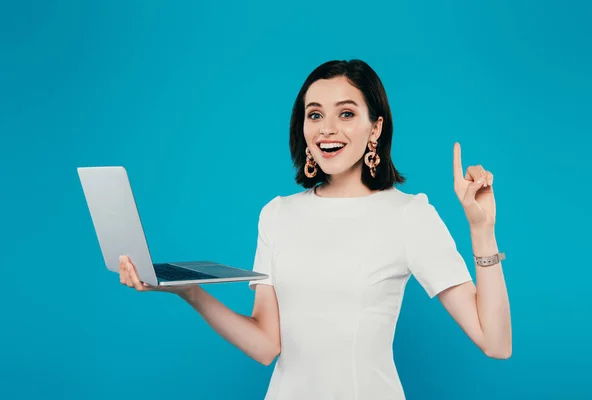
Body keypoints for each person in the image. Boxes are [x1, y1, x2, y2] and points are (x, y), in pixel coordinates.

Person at [118, 59, 512, 399]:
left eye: (346, 113)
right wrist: (187, 290)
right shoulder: (277, 214)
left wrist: (482, 231)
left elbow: (495, 343)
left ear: (375, 129)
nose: (327, 129)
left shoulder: (408, 215)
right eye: (315, 114)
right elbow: (265, 345)